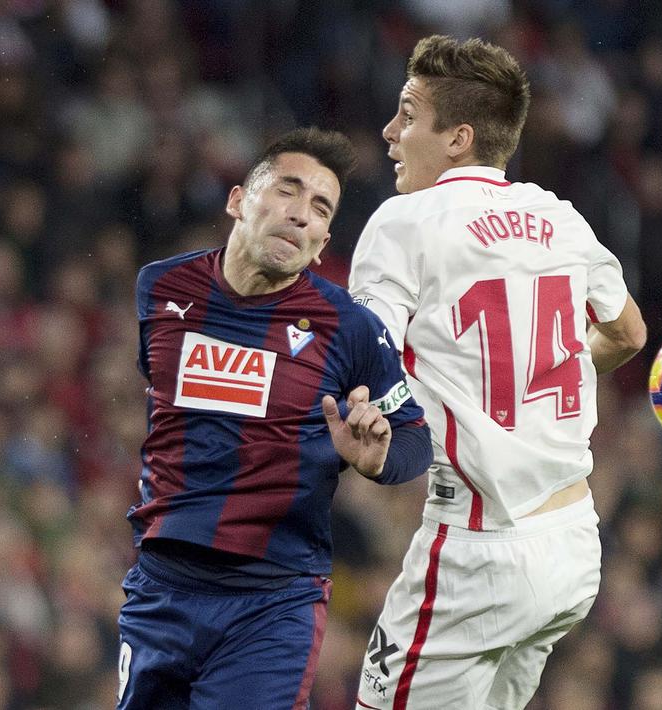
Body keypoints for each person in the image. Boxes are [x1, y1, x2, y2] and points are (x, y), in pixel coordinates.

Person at [349, 36, 648, 709]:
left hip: (478, 554)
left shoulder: (405, 222)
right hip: (572, 546)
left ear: (457, 138)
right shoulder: (560, 219)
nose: (389, 131)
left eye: (406, 114)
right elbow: (627, 332)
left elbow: (363, 357)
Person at [117, 127, 433, 710]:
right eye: (288, 192)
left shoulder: (349, 327)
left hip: (273, 600)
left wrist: (380, 458)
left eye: (319, 209)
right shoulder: (160, 288)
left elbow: (414, 435)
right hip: (161, 585)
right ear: (238, 200)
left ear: (324, 240)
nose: (301, 216)